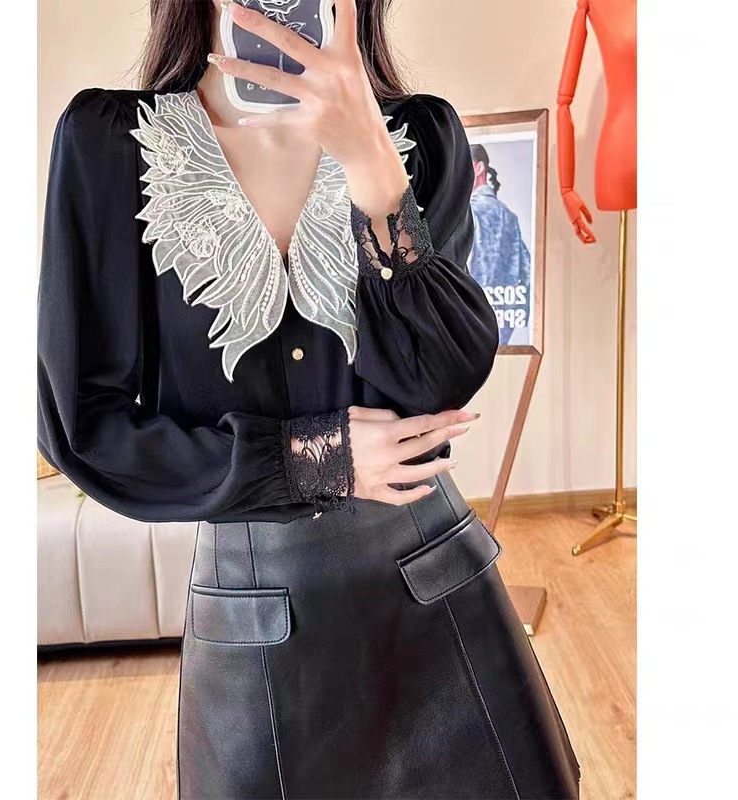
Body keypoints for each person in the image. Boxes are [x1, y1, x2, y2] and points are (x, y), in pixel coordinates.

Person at [37, 1, 581, 797]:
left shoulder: (420, 134)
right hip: (255, 622)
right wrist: (316, 458)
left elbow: (442, 377)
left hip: (436, 587)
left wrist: (373, 167)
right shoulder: (110, 143)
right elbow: (83, 428)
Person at [468, 143, 532, 346]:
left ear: (479, 168)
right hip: (499, 330)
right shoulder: (509, 217)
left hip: (468, 330)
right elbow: (527, 276)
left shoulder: (468, 214)